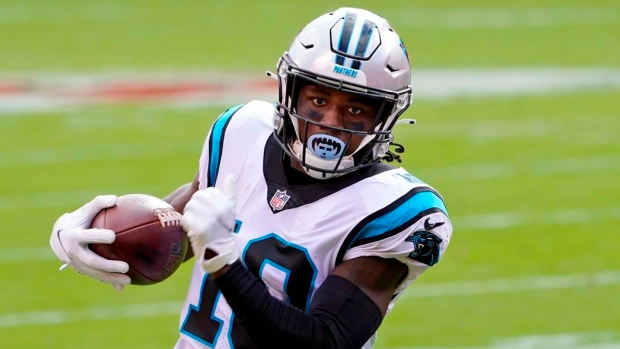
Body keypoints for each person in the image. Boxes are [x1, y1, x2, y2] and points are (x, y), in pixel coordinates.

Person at [49, 7, 452, 349]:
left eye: (355, 110)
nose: (330, 123)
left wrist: (224, 261)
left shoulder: (398, 211)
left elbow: (326, 339)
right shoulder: (242, 130)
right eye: (318, 100)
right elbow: (180, 227)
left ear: (386, 115)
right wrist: (91, 236)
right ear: (289, 92)